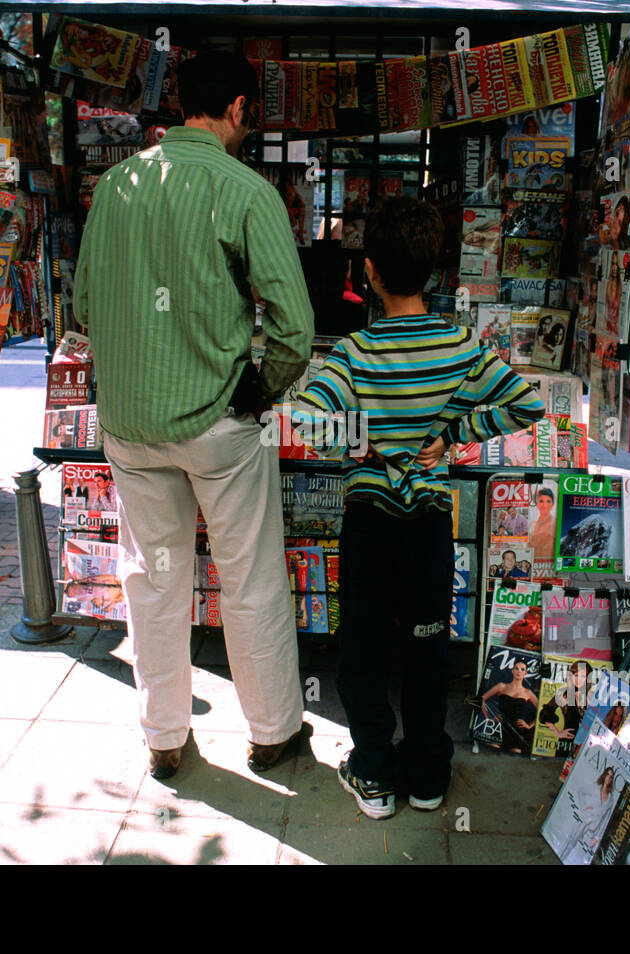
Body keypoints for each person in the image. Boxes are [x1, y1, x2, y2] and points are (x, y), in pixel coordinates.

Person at [74, 50, 315, 782]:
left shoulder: (116, 186)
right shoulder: (244, 191)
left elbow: (85, 307)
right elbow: (295, 329)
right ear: (238, 108)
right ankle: (272, 731)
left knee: (153, 578)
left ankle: (165, 738)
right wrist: (258, 386)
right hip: (217, 426)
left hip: (132, 427)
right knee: (249, 578)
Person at [293, 196, 545, 818]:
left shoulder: (353, 353)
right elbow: (526, 405)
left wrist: (370, 441)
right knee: (430, 648)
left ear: (369, 271)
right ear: (434, 273)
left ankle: (374, 771)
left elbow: (306, 419)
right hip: (431, 525)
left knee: (363, 650)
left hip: (369, 524)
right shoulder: (461, 347)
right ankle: (430, 775)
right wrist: (455, 434)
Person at [477, 658, 538, 753]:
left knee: (515, 755)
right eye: (516, 668)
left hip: (517, 732)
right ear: (512, 671)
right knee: (492, 752)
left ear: (526, 673)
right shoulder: (502, 686)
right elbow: (481, 699)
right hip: (499, 728)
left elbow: (543, 711)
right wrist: (489, 719)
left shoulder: (528, 693)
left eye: (522, 669)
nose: (519, 671)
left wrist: (529, 725)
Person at [529, 486, 556, 565]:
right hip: (533, 566)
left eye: (548, 501)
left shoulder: (554, 522)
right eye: (541, 501)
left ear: (552, 504)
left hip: (549, 566)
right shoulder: (532, 524)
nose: (545, 505)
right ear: (536, 503)